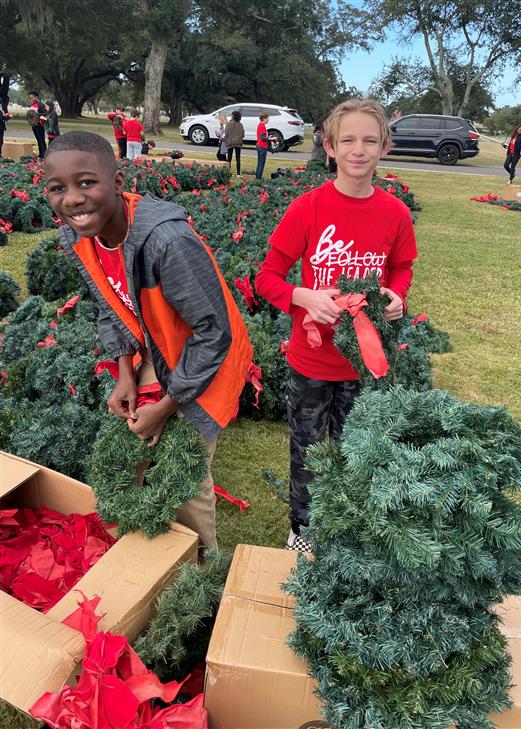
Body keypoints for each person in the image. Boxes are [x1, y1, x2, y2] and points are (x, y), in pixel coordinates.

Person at [43, 131, 253, 550]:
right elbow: (109, 304)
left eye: (86, 183)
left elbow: (214, 335)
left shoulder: (167, 243)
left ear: (118, 184)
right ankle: (138, 557)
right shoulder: (80, 236)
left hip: (209, 357)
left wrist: (166, 406)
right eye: (57, 188)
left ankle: (201, 571)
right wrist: (125, 373)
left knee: (186, 472)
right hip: (160, 346)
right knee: (129, 448)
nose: (72, 199)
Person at [255, 98, 417, 552]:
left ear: (384, 146)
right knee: (308, 451)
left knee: (356, 449)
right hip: (310, 361)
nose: (358, 150)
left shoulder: (395, 213)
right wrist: (301, 296)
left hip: (363, 365)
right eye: (347, 140)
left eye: (369, 140)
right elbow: (265, 277)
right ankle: (304, 529)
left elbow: (401, 267)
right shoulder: (308, 208)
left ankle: (347, 527)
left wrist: (396, 296)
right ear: (329, 147)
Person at [26, 91, 48, 159]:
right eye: (30, 98)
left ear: (36, 97)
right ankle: (41, 154)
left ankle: (44, 154)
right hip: (34, 125)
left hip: (39, 124)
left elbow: (45, 113)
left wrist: (37, 115)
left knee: (41, 139)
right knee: (38, 139)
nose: (31, 99)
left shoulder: (40, 104)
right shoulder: (32, 105)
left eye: (32, 98)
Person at [224, 110, 244, 176]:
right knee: (238, 158)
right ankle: (238, 174)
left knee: (229, 158)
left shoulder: (229, 124)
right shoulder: (240, 124)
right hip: (238, 143)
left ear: (233, 116)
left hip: (230, 142)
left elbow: (226, 133)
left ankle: (227, 172)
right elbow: (243, 134)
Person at [255, 111, 270, 180]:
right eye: (267, 118)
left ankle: (257, 177)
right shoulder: (262, 126)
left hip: (259, 146)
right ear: (264, 118)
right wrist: (270, 138)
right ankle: (258, 178)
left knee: (259, 163)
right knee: (261, 164)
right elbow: (263, 137)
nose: (268, 120)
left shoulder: (260, 125)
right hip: (262, 147)